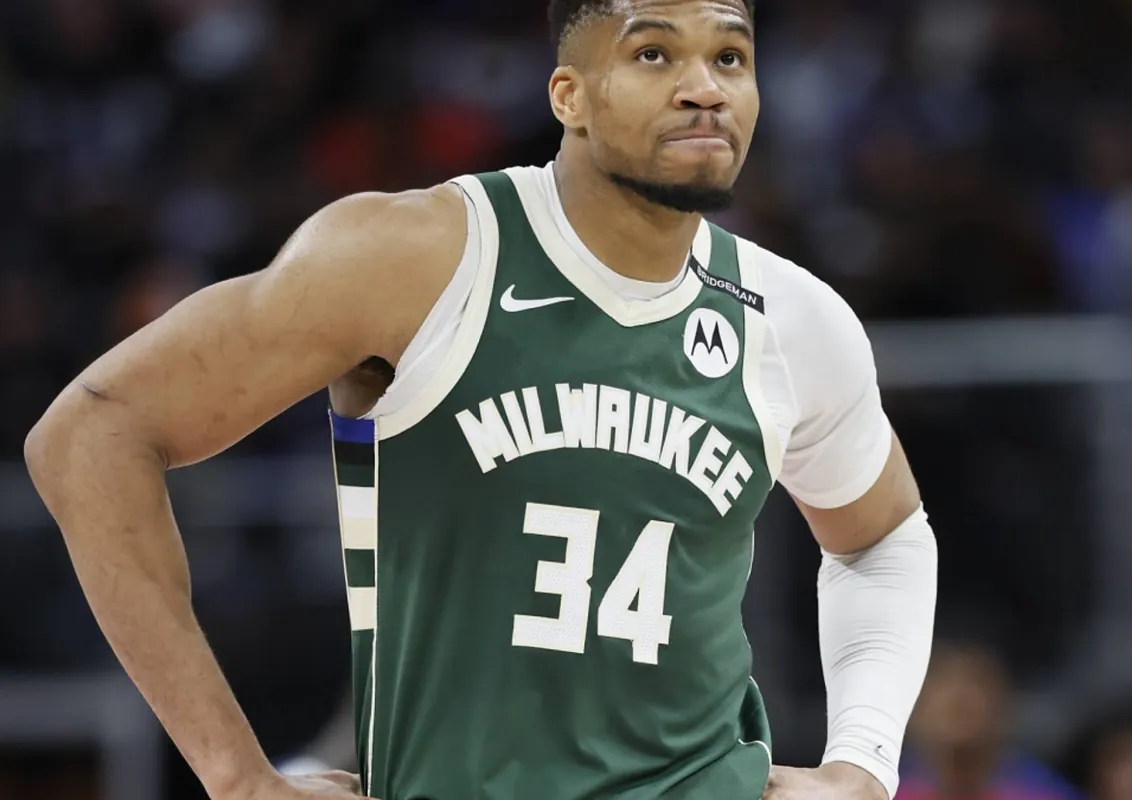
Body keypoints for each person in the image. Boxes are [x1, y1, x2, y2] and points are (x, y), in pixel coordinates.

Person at [23, 1, 939, 798]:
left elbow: (884, 539)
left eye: (730, 56)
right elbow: (91, 433)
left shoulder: (792, 316)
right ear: (569, 96)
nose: (704, 89)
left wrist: (861, 764)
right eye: (655, 53)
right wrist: (236, 776)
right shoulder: (416, 257)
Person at [897, 629, 1084, 800]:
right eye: (944, 683)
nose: (960, 695)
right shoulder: (885, 788)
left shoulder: (1045, 793)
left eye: (976, 681)